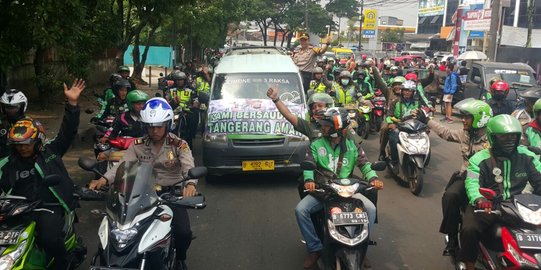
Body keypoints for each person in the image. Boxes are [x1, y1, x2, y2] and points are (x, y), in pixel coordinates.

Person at [89, 97, 197, 269]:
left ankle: (179, 258)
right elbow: (122, 165)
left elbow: (188, 166)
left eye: (158, 126)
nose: (154, 130)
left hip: (172, 196)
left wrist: (190, 184)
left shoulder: (179, 145)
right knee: (125, 231)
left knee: (183, 232)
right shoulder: (137, 145)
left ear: (167, 124)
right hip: (142, 194)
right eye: (150, 126)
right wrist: (103, 179)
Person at [0, 79, 86, 270]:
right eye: (18, 144)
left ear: (37, 142)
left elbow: (67, 132)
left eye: (27, 144)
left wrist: (72, 104)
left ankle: (62, 264)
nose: (23, 148)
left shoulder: (50, 153)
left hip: (48, 207)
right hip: (17, 209)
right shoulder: (9, 164)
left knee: (49, 237)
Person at [295, 107, 383, 269]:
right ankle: (315, 248)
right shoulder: (316, 144)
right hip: (323, 191)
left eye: (327, 125)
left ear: (337, 129)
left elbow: (365, 165)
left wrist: (374, 178)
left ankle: (362, 247)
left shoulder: (352, 146)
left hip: (348, 190)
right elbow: (309, 165)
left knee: (370, 209)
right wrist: (309, 181)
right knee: (301, 210)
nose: (323, 128)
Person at [460, 114, 541, 270]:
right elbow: (472, 182)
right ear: (492, 137)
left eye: (513, 137)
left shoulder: (527, 157)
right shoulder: (479, 159)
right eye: (504, 137)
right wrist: (479, 199)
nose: (509, 141)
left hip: (519, 207)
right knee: (470, 229)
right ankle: (468, 264)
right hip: (489, 206)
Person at [416, 99, 492, 256]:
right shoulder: (465, 133)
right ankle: (451, 239)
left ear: (480, 119)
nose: (463, 120)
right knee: (450, 196)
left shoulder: (493, 139)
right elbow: (446, 133)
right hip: (467, 177)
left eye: (467, 117)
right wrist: (427, 121)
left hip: (489, 181)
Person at [267, 87, 333, 141]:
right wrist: (275, 99)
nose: (317, 109)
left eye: (320, 105)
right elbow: (288, 115)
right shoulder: (310, 126)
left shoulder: (337, 122)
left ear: (329, 107)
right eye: (314, 107)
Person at [0, 89, 44, 158]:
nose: (11, 111)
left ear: (23, 107)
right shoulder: (1, 122)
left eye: (15, 108)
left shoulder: (31, 124)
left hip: (21, 160)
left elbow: (39, 144)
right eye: (8, 107)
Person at [386, 80, 421, 164]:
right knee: (394, 135)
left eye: (410, 91)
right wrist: (391, 123)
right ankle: (394, 160)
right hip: (399, 126)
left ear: (413, 92)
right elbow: (389, 115)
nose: (407, 93)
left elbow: (423, 114)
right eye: (405, 90)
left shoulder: (417, 103)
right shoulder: (395, 102)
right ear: (402, 91)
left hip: (414, 127)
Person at [166, 71, 199, 148]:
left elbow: (195, 100)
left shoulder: (190, 89)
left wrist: (195, 104)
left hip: (187, 110)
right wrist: (173, 101)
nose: (179, 81)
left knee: (194, 118)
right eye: (177, 80)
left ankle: (191, 136)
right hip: (174, 111)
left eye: (181, 80)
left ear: (184, 80)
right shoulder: (170, 89)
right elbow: (166, 100)